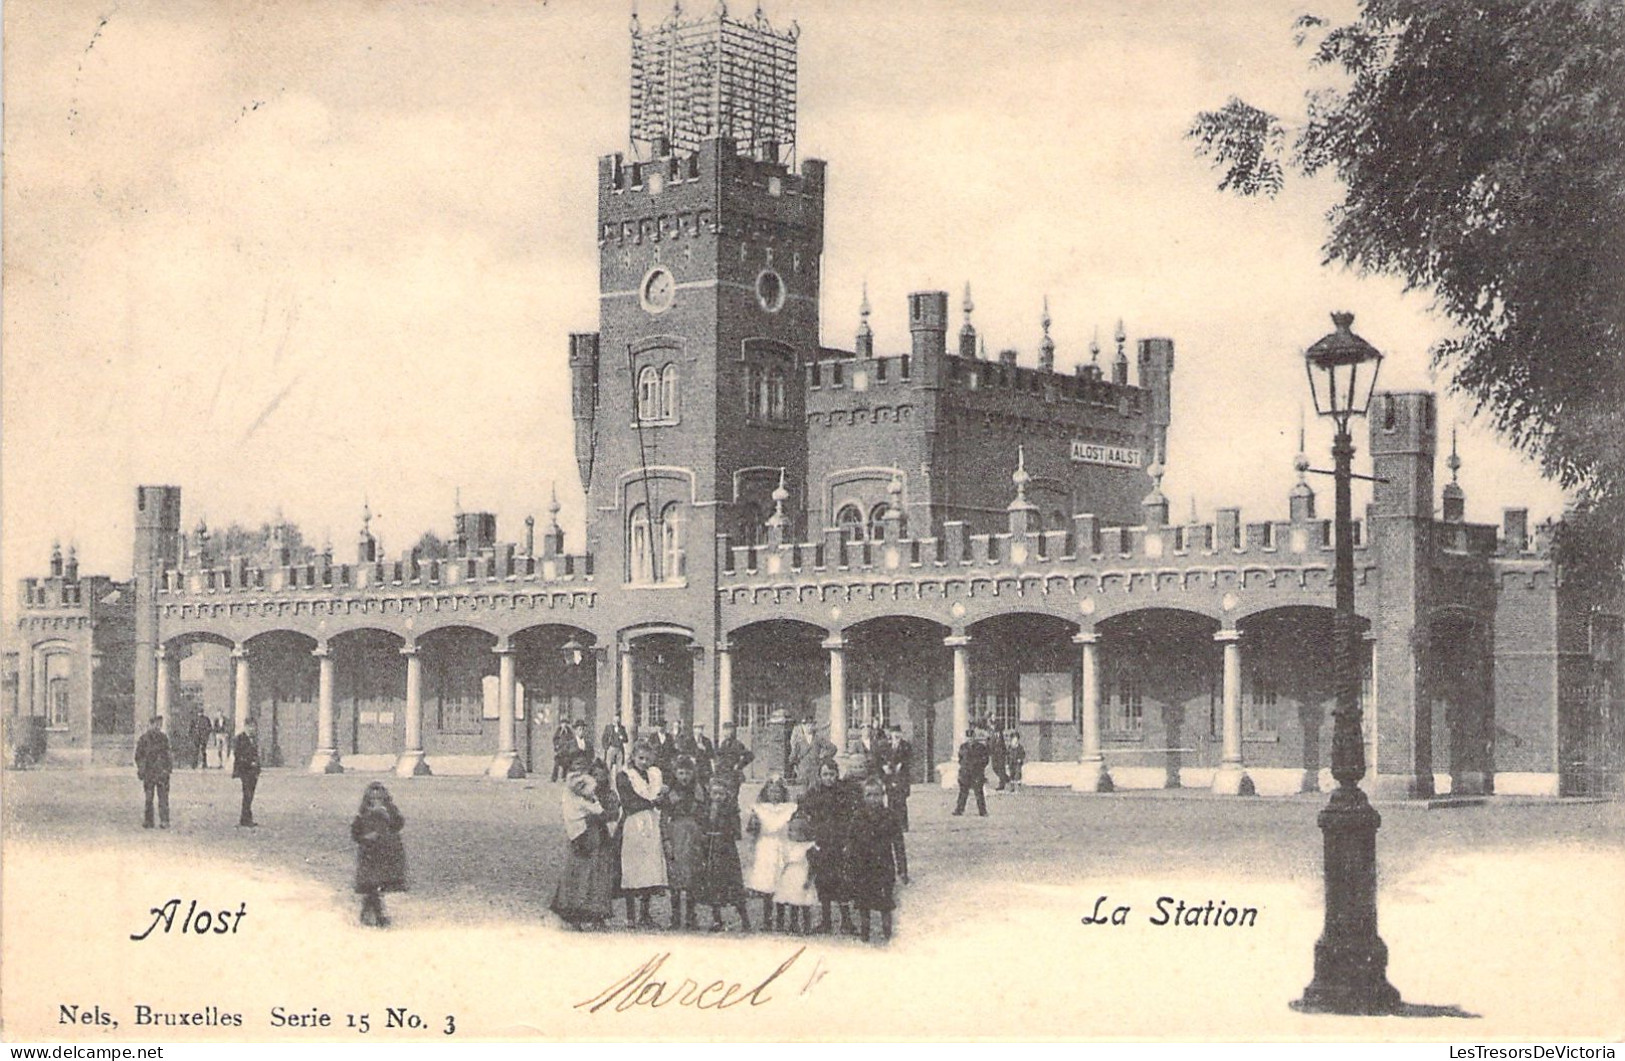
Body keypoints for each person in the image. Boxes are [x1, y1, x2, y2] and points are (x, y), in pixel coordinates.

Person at [552, 768, 617, 929]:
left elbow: (612, 814)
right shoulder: (575, 796)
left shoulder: (606, 794)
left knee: (598, 876)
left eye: (602, 777)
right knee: (579, 875)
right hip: (584, 839)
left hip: (600, 838)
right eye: (596, 776)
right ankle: (573, 915)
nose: (599, 780)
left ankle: (597, 916)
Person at [799, 758, 857, 935]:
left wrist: (848, 841)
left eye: (832, 774)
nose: (829, 778)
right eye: (825, 774)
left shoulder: (844, 793)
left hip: (839, 844)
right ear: (819, 776)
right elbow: (804, 812)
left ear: (837, 775)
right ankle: (826, 921)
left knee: (842, 882)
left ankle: (846, 921)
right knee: (823, 882)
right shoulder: (814, 794)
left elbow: (851, 817)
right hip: (821, 844)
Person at [614, 740, 668, 928]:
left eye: (647, 758)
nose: (644, 762)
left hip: (652, 824)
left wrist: (661, 798)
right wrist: (653, 802)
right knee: (632, 867)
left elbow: (661, 799)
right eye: (640, 758)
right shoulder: (625, 776)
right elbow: (629, 802)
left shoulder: (655, 775)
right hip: (633, 824)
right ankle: (631, 916)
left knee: (649, 868)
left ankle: (645, 913)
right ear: (633, 757)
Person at [847, 777, 908, 942]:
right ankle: (865, 932)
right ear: (863, 797)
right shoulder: (858, 816)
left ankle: (887, 932)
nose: (873, 799)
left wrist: (902, 870)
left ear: (883, 796)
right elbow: (851, 843)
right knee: (863, 901)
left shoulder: (890, 816)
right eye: (869, 795)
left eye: (877, 795)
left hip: (884, 864)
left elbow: (898, 845)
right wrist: (850, 867)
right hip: (863, 865)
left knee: (885, 901)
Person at [692, 773, 750, 932]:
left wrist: (724, 825)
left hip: (726, 850)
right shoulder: (705, 809)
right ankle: (717, 919)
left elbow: (736, 832)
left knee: (733, 884)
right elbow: (701, 825)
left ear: (727, 794)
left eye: (721, 794)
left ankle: (745, 919)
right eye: (714, 793)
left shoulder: (731, 810)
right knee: (713, 884)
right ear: (709, 794)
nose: (717, 797)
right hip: (711, 850)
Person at [350, 782, 407, 927]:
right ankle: (376, 916)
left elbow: (398, 825)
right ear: (368, 799)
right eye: (373, 797)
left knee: (379, 885)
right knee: (372, 885)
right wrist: (366, 837)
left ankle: (371, 915)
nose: (376, 800)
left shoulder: (390, 811)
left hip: (387, 852)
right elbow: (355, 833)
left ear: (384, 797)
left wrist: (386, 815)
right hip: (369, 853)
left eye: (379, 797)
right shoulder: (362, 814)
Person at [743, 775, 796, 927]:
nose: (774, 795)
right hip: (765, 846)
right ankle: (767, 920)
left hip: (782, 845)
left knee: (782, 882)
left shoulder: (789, 808)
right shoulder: (760, 809)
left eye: (778, 792)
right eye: (771, 792)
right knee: (767, 884)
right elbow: (752, 831)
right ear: (766, 793)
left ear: (783, 793)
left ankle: (781, 920)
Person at [660, 755, 704, 931]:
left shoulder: (698, 791)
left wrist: (702, 837)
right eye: (681, 773)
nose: (684, 777)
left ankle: (691, 917)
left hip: (693, 836)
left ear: (693, 774)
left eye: (688, 773)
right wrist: (666, 840)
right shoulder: (670, 793)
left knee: (692, 877)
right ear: (675, 773)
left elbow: (703, 816)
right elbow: (663, 819)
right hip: (676, 835)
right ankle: (675, 916)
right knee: (676, 878)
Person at [774, 813, 819, 935]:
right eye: (789, 830)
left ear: (803, 833)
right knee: (788, 899)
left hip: (802, 875)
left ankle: (806, 926)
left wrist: (809, 880)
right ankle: (789, 924)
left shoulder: (808, 847)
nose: (789, 834)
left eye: (793, 831)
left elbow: (813, 865)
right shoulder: (788, 845)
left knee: (803, 901)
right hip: (789, 876)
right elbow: (783, 861)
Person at [134, 715, 173, 829]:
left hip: (161, 773)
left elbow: (168, 754)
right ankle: (149, 820)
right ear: (150, 725)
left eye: (159, 725)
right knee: (149, 798)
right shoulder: (144, 739)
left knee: (163, 798)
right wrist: (141, 769)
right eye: (156, 724)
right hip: (149, 772)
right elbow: (138, 756)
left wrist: (168, 769)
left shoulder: (163, 738)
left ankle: (164, 820)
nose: (158, 727)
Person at [882, 723, 914, 831]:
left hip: (902, 777)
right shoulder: (887, 746)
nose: (895, 736)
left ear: (901, 734)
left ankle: (903, 825)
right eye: (893, 734)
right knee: (891, 801)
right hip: (890, 777)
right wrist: (884, 767)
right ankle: (891, 825)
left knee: (901, 801)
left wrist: (902, 764)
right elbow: (881, 758)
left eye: (897, 734)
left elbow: (909, 759)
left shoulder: (906, 745)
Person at [954, 725, 990, 817]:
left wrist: (979, 767)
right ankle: (959, 809)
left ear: (974, 737)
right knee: (963, 792)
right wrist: (963, 767)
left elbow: (985, 759)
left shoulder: (980, 747)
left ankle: (983, 811)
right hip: (965, 773)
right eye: (968, 737)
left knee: (979, 793)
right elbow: (960, 759)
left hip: (976, 773)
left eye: (971, 737)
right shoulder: (963, 747)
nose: (970, 739)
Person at [232, 718, 262, 827]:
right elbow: (238, 755)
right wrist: (250, 763)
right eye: (250, 726)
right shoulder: (239, 739)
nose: (252, 729)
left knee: (250, 795)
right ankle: (245, 819)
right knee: (247, 795)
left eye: (254, 727)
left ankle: (246, 818)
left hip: (253, 772)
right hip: (244, 770)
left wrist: (257, 767)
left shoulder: (254, 739)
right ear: (245, 727)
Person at [714, 722, 753, 792]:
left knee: (732, 797)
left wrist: (739, 765)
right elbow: (719, 756)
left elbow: (750, 756)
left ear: (732, 731)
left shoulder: (737, 744)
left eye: (729, 730)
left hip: (733, 775)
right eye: (725, 730)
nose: (726, 733)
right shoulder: (723, 743)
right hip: (723, 775)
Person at [989, 724, 1010, 791]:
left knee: (1001, 769)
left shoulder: (1001, 736)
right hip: (994, 755)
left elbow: (1003, 746)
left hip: (1001, 756)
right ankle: (1006, 778)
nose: (997, 732)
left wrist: (1005, 754)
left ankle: (1001, 785)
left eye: (997, 731)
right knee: (994, 768)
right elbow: (991, 745)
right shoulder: (992, 736)